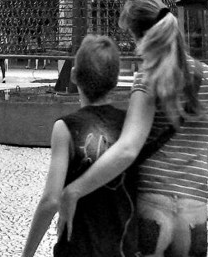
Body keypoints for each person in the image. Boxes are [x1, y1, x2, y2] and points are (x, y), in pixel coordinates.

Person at [59, 0, 208, 257]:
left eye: (134, 39)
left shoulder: (148, 78)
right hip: (195, 214)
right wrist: (184, 180)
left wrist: (74, 191)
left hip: (153, 210)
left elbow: (127, 149)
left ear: (144, 38)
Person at [22, 35, 136, 257]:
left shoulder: (65, 128)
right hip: (122, 246)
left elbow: (51, 200)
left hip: (78, 246)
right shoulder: (132, 128)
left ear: (74, 76)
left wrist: (27, 254)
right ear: (116, 80)